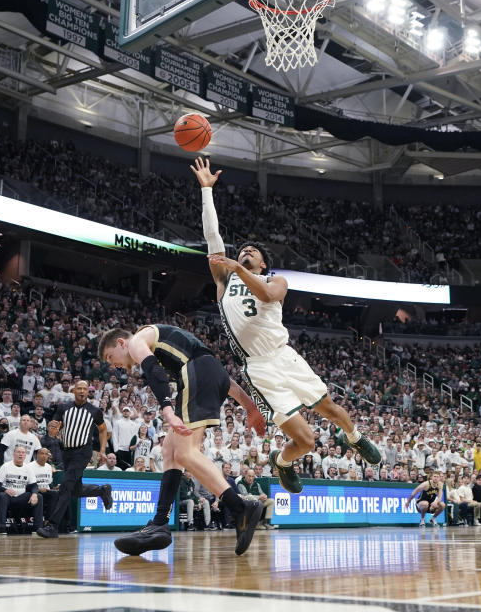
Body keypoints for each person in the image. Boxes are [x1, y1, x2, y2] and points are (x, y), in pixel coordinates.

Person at [192, 157, 382, 495]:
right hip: (258, 368)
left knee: (330, 409)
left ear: (263, 262)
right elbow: (212, 236)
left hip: (284, 355)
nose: (246, 252)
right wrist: (207, 191)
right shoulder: (223, 279)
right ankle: (282, 461)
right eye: (243, 250)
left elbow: (265, 293)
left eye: (252, 252)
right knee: (306, 440)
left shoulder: (275, 279)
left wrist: (239, 268)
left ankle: (355, 437)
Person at [97, 323, 267, 556]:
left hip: (196, 374)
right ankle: (160, 522)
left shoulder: (137, 341)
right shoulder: (173, 343)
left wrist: (167, 411)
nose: (113, 364)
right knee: (170, 450)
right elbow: (218, 374)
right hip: (210, 375)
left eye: (110, 357)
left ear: (121, 343)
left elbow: (156, 374)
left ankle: (240, 507)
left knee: (186, 453)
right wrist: (249, 406)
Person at [35, 380, 113, 538]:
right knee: (75, 490)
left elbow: (103, 430)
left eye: (85, 389)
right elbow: (53, 429)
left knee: (65, 486)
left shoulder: (94, 411)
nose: (83, 391)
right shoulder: (64, 407)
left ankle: (52, 526)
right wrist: (53, 429)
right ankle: (101, 490)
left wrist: (103, 450)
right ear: (74, 391)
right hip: (67, 452)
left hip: (83, 452)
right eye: (79, 388)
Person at [0, 445, 42, 532]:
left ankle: (38, 528)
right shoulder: (6, 466)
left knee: (39, 496)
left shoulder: (28, 468)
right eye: (18, 452)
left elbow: (34, 485)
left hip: (21, 498)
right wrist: (5, 490)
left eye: (23, 453)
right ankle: (1, 527)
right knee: (3, 495)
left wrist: (34, 494)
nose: (21, 454)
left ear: (25, 456)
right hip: (8, 497)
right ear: (14, 454)